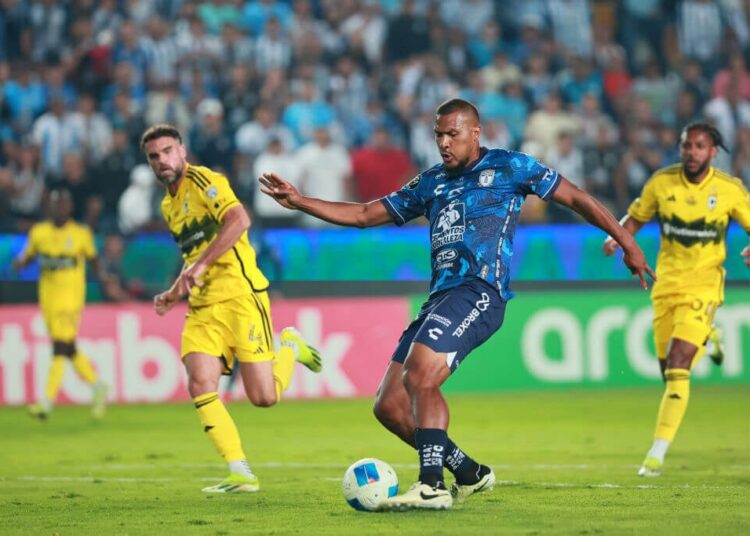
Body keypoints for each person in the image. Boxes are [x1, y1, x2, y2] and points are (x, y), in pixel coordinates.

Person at [259, 98, 654, 510]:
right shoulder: (430, 183)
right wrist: (300, 201)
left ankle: (431, 484)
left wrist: (628, 243)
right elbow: (362, 214)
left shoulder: (511, 167)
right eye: (438, 135)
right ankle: (468, 472)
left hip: (480, 290)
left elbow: (578, 199)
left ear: (475, 133)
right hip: (440, 297)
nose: (444, 143)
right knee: (390, 406)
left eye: (452, 134)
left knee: (421, 378)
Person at [140, 124, 322, 494]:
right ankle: (240, 472)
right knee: (200, 383)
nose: (162, 161)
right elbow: (192, 257)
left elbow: (240, 220)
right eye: (154, 156)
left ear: (182, 150)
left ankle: (289, 346)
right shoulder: (167, 205)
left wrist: (202, 266)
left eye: (167, 151)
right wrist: (175, 291)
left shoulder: (207, 181)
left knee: (264, 398)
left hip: (241, 296)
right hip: (203, 306)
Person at [603, 122, 750, 477]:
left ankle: (656, 453)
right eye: (687, 146)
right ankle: (709, 336)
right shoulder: (662, 182)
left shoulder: (729, 189)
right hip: (665, 284)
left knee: (680, 364)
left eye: (699, 147)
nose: (692, 152)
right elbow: (636, 216)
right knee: (668, 373)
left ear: (713, 151)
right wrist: (619, 238)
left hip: (704, 284)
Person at [12, 188, 108, 420]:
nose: (60, 208)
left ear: (70, 208)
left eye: (63, 204)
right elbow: (28, 257)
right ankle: (97, 386)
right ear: (50, 207)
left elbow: (94, 261)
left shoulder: (81, 234)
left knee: (59, 347)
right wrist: (19, 263)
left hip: (71, 298)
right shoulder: (39, 232)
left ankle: (46, 402)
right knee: (67, 347)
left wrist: (104, 281)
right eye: (56, 204)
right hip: (48, 299)